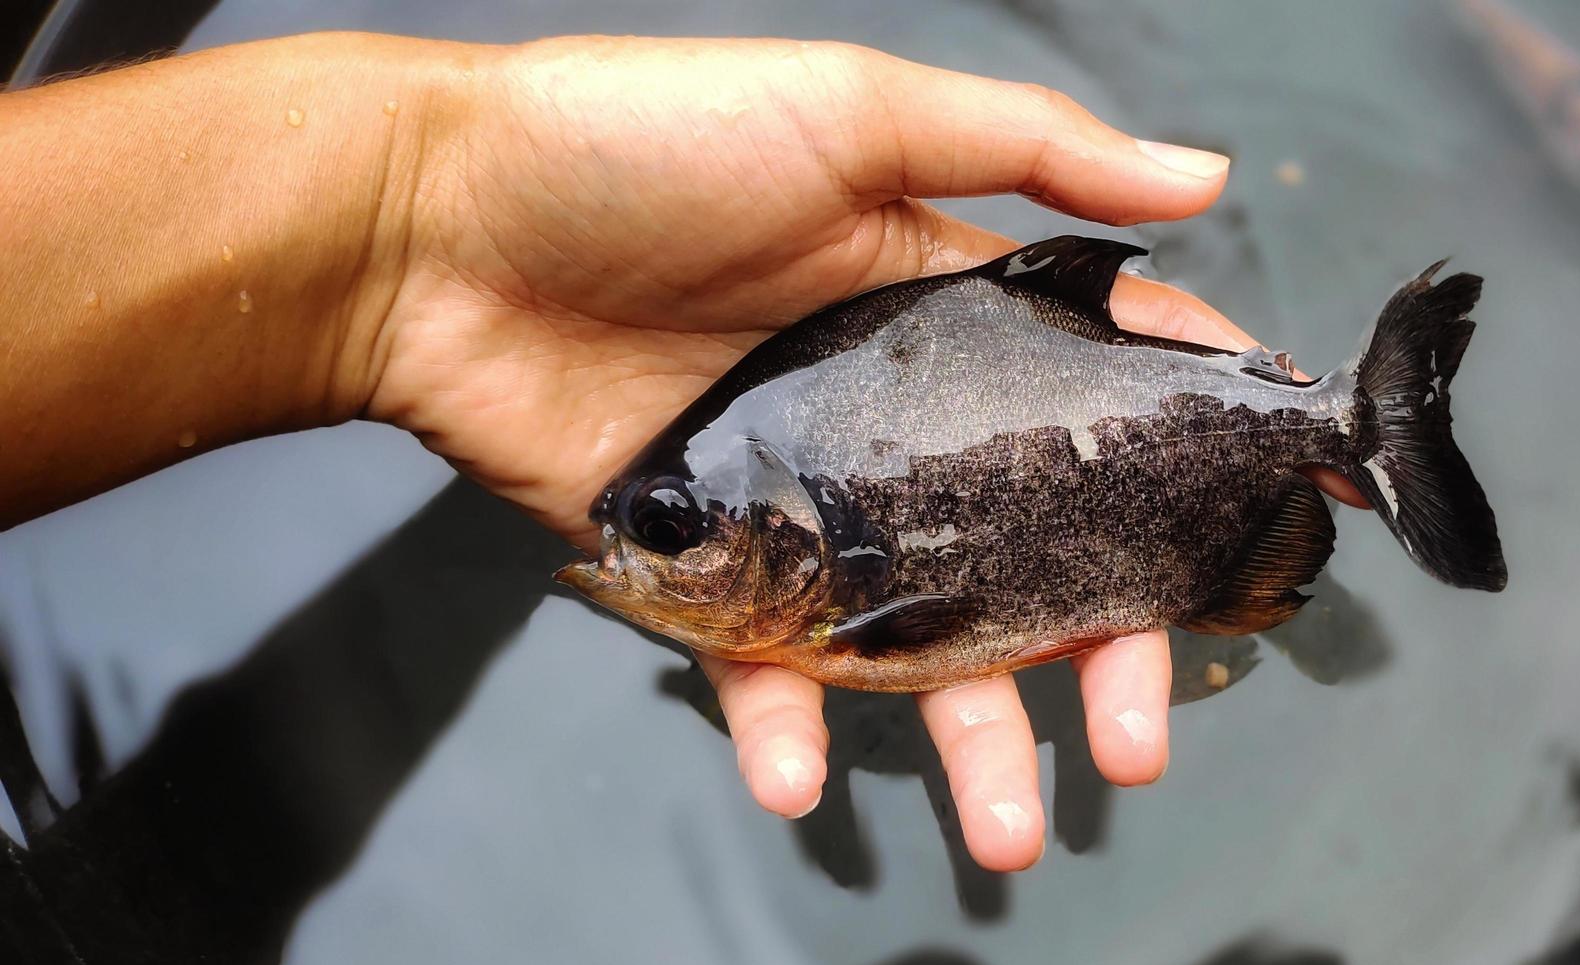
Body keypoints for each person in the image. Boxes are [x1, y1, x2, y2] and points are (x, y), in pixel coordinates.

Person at [0, 32, 1339, 874]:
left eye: (670, 526)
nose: (625, 540)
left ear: (780, 535)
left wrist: (409, 221)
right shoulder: (776, 471)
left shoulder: (797, 505)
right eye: (660, 524)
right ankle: (1340, 426)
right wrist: (399, 218)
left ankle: (1344, 426)